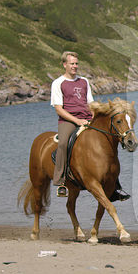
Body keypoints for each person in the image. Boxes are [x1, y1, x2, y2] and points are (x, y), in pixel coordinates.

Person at [50, 51, 129, 201]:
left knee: (109, 143)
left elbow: (90, 103)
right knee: (63, 144)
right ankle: (60, 181)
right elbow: (58, 109)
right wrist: (77, 121)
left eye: (76, 63)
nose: (75, 66)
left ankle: (114, 186)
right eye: (72, 63)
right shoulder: (58, 83)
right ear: (64, 64)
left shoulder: (84, 81)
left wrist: (92, 118)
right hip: (68, 121)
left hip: (87, 119)